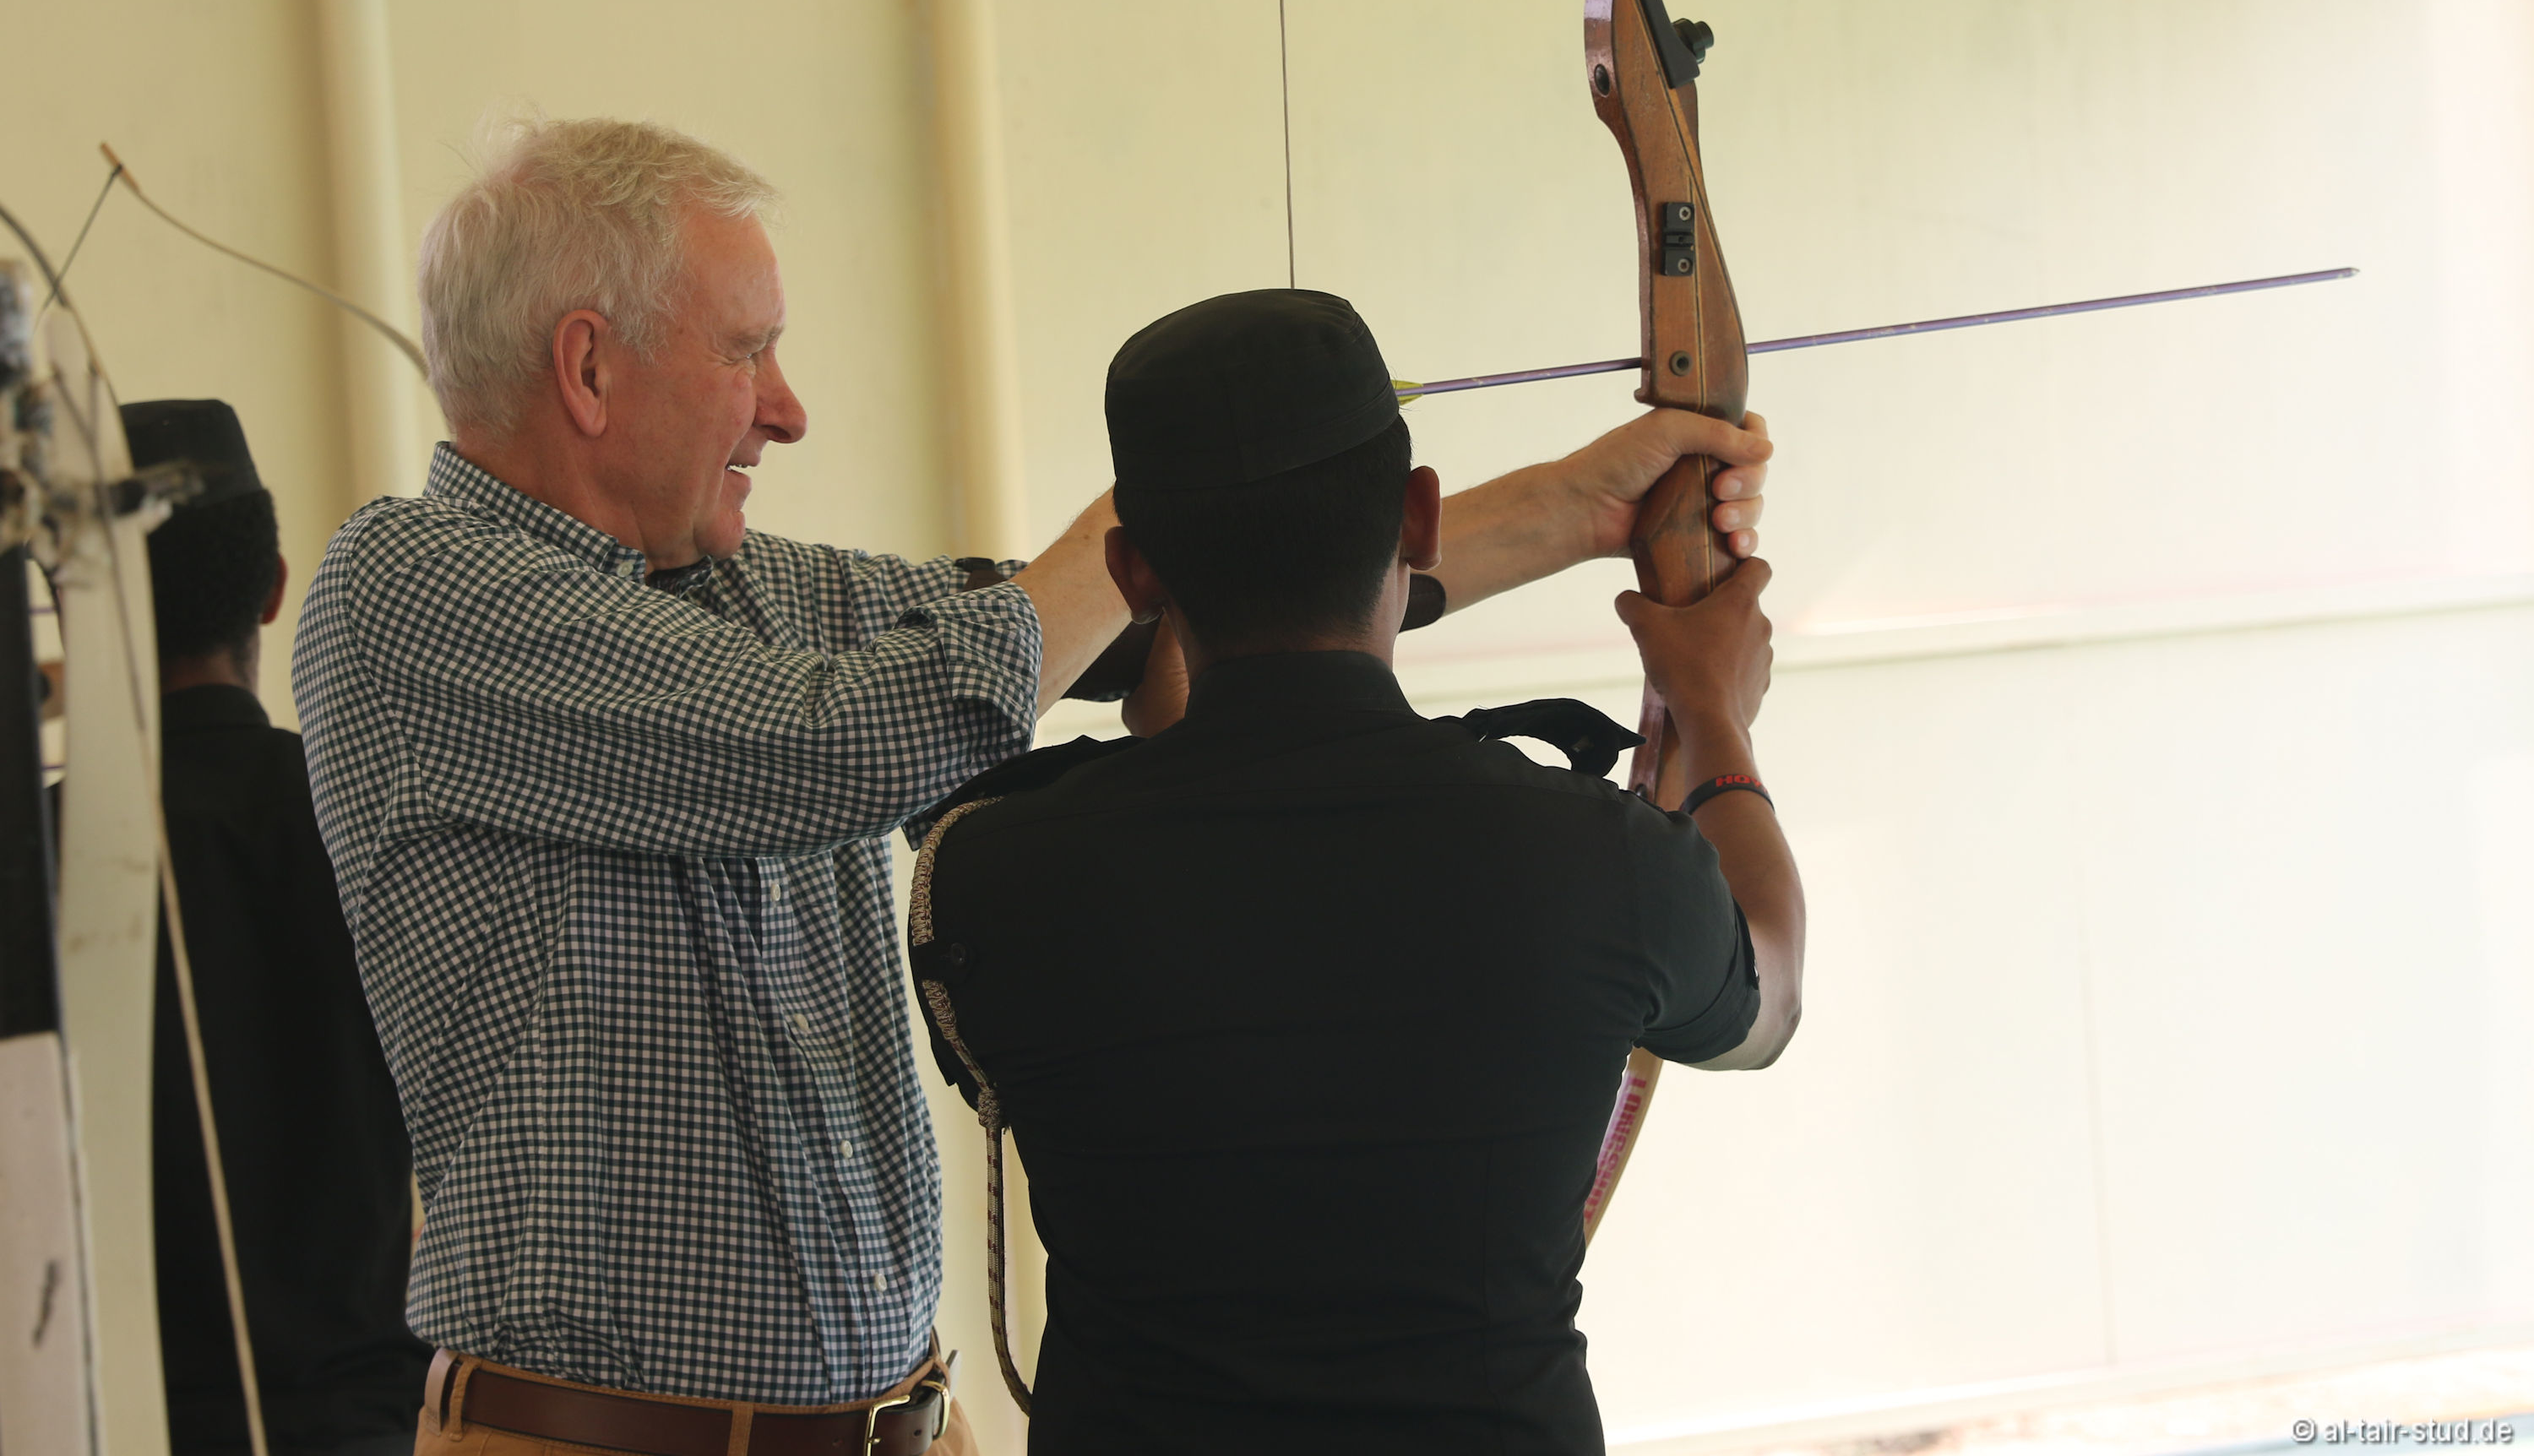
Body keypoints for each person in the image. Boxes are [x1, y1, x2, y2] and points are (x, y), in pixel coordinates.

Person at [289, 118, 1772, 1453]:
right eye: (746, 351)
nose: (786, 411)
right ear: (589, 367)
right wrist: (1170, 495)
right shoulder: (408, 592)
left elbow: (1189, 611)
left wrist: (1578, 509)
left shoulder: (748, 594)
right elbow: (853, 737)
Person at [909, 290, 1803, 1454]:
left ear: (1131, 572)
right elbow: (1766, 1007)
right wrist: (1716, 716)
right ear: (1420, 517)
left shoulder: (988, 874)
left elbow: (1205, 859)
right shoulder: (1595, 856)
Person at [123, 398, 431, 1456]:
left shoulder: (43, 857)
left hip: (124, 1422)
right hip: (372, 1418)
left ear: (81, 605)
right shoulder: (367, 814)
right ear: (273, 590)